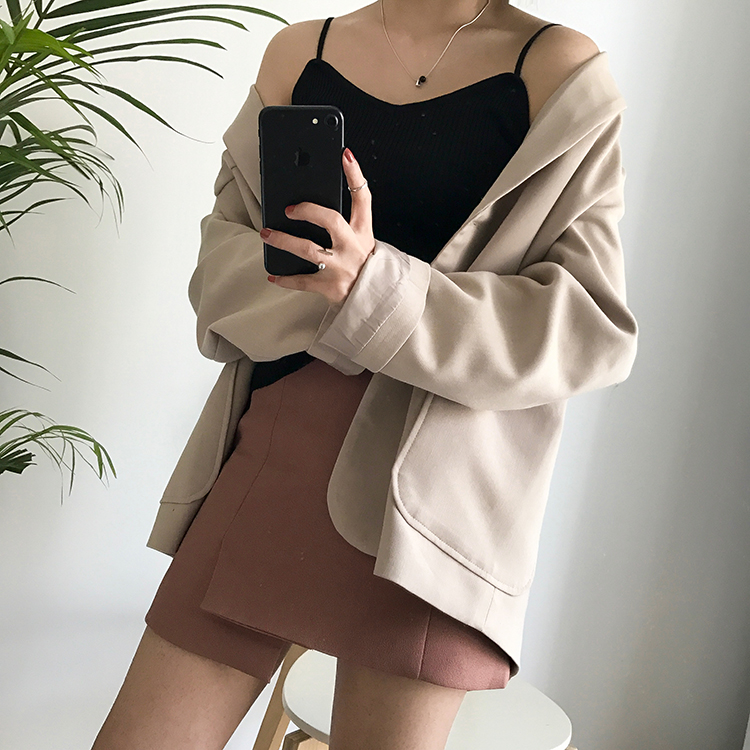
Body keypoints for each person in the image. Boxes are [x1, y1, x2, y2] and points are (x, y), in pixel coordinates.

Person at [92, 1, 638, 748]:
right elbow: (221, 270)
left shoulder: (557, 72)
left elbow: (585, 330)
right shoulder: (299, 54)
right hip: (272, 458)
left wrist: (374, 292)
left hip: (434, 505)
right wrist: (347, 300)